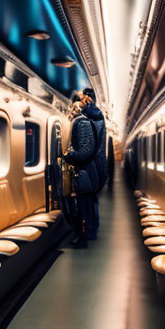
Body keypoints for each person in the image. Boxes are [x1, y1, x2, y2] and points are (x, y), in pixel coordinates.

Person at [63, 94, 99, 247]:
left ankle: (83, 237)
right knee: (83, 207)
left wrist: (68, 155)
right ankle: (83, 234)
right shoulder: (79, 122)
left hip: (84, 173)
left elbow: (86, 151)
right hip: (84, 172)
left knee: (83, 208)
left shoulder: (82, 123)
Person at [80, 87, 107, 240]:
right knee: (93, 201)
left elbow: (86, 148)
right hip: (98, 166)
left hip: (90, 167)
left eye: (83, 97)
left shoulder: (88, 118)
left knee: (87, 202)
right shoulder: (99, 117)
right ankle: (92, 229)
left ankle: (89, 231)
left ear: (87, 98)